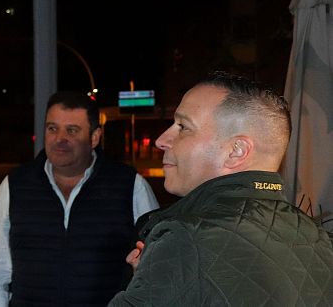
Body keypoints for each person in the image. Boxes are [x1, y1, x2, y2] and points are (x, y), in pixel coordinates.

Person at [109, 72, 333, 306]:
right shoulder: (322, 242)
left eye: (183, 127)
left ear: (236, 151)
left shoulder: (185, 238)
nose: (161, 140)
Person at [0, 91, 159, 306]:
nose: (60, 139)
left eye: (72, 130)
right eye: (52, 128)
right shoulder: (15, 185)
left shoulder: (131, 186)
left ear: (94, 137)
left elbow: (157, 268)